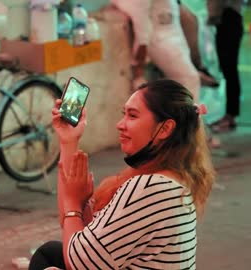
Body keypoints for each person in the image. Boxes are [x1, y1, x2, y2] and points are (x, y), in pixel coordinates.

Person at [29, 79, 215, 269]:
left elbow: (79, 262)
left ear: (165, 129)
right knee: (51, 252)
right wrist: (68, 141)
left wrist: (72, 203)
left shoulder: (151, 187)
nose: (120, 124)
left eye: (132, 116)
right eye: (123, 114)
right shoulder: (170, 178)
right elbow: (75, 230)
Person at [112, 0, 201, 102]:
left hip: (172, 35)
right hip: (160, 40)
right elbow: (141, 25)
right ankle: (187, 117)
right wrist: (139, 67)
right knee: (189, 79)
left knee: (185, 82)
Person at [207, 0, 244, 132]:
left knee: (230, 70)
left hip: (229, 19)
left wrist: (213, 15)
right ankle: (229, 114)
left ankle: (231, 115)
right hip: (225, 20)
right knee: (228, 70)